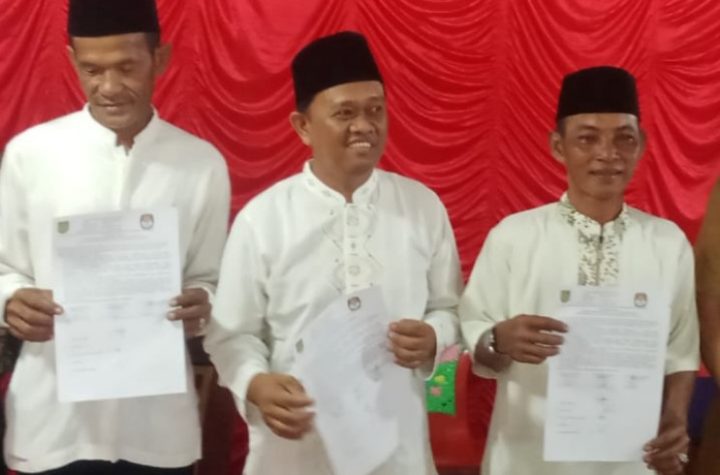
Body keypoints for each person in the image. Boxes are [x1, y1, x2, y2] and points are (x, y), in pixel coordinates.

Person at [204, 31, 462, 474]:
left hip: (397, 448)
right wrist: (255, 383)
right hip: (296, 448)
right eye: (345, 113)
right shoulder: (263, 218)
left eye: (375, 110)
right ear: (303, 126)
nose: (364, 125)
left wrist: (434, 336)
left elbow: (450, 308)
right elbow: (231, 333)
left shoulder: (422, 207)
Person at [0, 0, 230, 473]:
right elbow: (6, 269)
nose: (109, 87)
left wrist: (203, 302)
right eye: (92, 69)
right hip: (55, 422)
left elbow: (211, 278)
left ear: (159, 59)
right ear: (72, 61)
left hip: (156, 425)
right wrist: (11, 301)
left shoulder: (201, 164)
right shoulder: (30, 155)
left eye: (127, 67)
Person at [460, 66, 699, 475]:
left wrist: (675, 421)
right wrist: (499, 340)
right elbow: (472, 332)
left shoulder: (667, 243)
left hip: (630, 457)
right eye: (587, 138)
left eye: (624, 138)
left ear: (641, 145)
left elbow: (681, 349)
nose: (608, 154)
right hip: (527, 455)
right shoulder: (515, 236)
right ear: (558, 146)